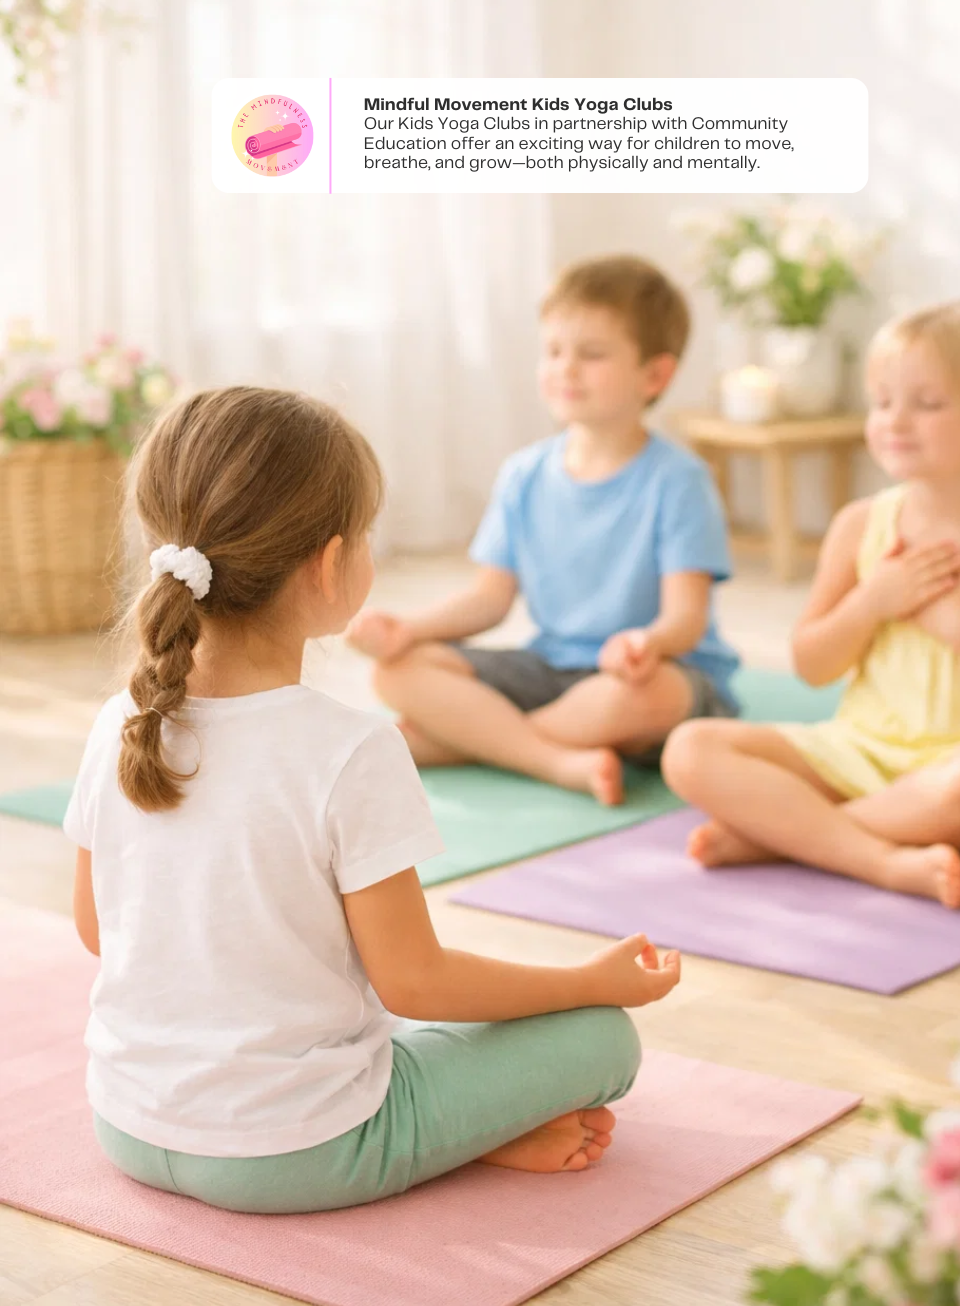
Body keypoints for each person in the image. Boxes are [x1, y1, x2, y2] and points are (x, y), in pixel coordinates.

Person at [66, 386, 680, 1215]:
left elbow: (98, 929)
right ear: (328, 566)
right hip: (301, 1152)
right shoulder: (351, 749)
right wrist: (585, 980)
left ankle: (471, 1124)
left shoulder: (121, 720)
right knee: (601, 1036)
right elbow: (415, 985)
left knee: (382, 1020)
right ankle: (469, 1132)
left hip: (128, 1125)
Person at [661, 300, 960, 909]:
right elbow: (812, 665)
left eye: (927, 403)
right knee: (690, 748)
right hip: (862, 753)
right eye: (883, 401)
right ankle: (876, 856)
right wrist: (871, 603)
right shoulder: (860, 526)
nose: (895, 420)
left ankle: (786, 837)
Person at [347, 255, 740, 806]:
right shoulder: (523, 474)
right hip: (549, 667)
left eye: (592, 354)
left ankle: (467, 741)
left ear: (654, 375)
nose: (566, 369)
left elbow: (686, 620)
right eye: (553, 351)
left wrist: (646, 643)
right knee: (398, 673)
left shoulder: (680, 480)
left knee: (647, 697)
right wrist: (408, 629)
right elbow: (489, 600)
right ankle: (552, 759)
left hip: (648, 674)